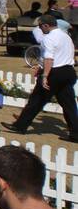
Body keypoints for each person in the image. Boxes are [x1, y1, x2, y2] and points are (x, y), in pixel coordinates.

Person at [7, 14, 78, 142]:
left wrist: (45, 75)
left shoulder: (49, 38)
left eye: (40, 26)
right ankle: (75, 133)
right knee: (69, 104)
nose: (40, 29)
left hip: (55, 72)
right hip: (69, 71)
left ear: (46, 25)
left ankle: (20, 126)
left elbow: (49, 58)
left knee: (37, 99)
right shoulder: (65, 36)